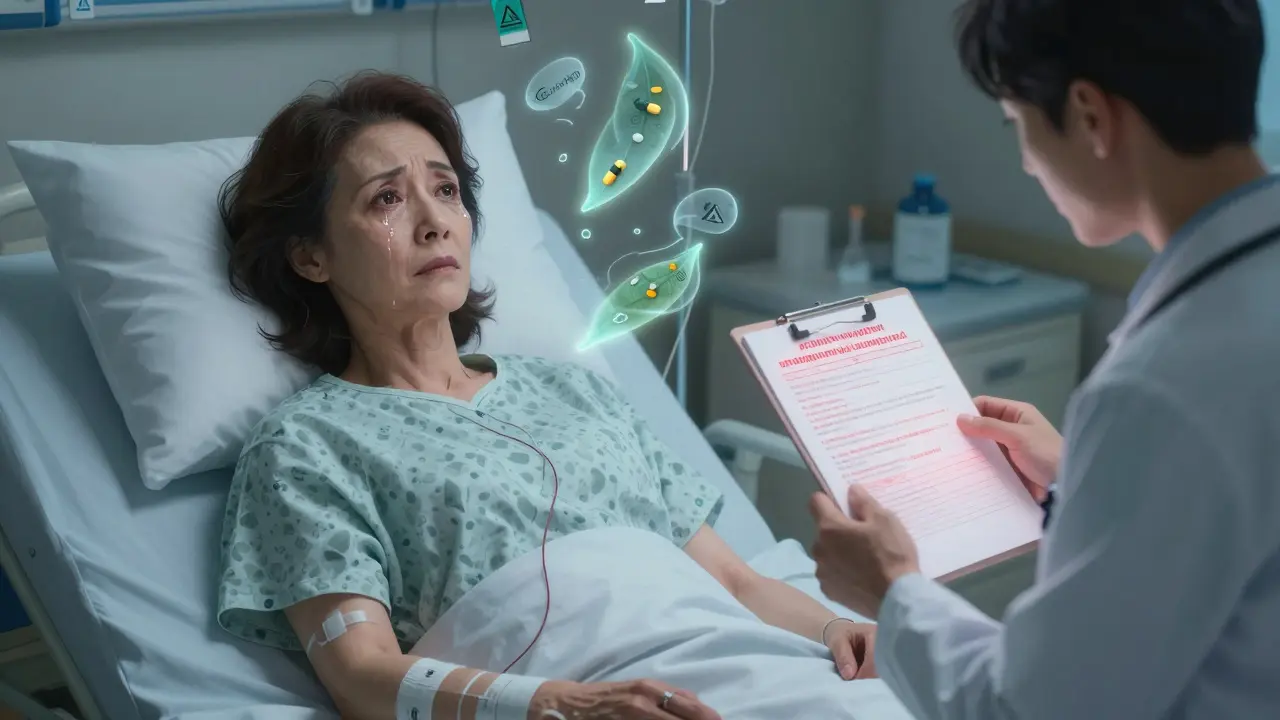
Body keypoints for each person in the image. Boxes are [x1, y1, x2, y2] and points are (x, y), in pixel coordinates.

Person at [214, 71, 878, 720]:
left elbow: (734, 581)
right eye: (387, 199)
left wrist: (837, 630)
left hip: (748, 660)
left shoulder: (574, 388)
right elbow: (362, 677)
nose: (435, 221)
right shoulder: (306, 445)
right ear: (311, 257)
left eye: (446, 191)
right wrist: (559, 705)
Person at [808, 0, 1280, 718]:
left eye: (1018, 126)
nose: (1028, 163)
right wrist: (1081, 480)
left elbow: (1031, 709)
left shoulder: (1162, 387)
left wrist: (893, 591)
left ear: (1090, 116)